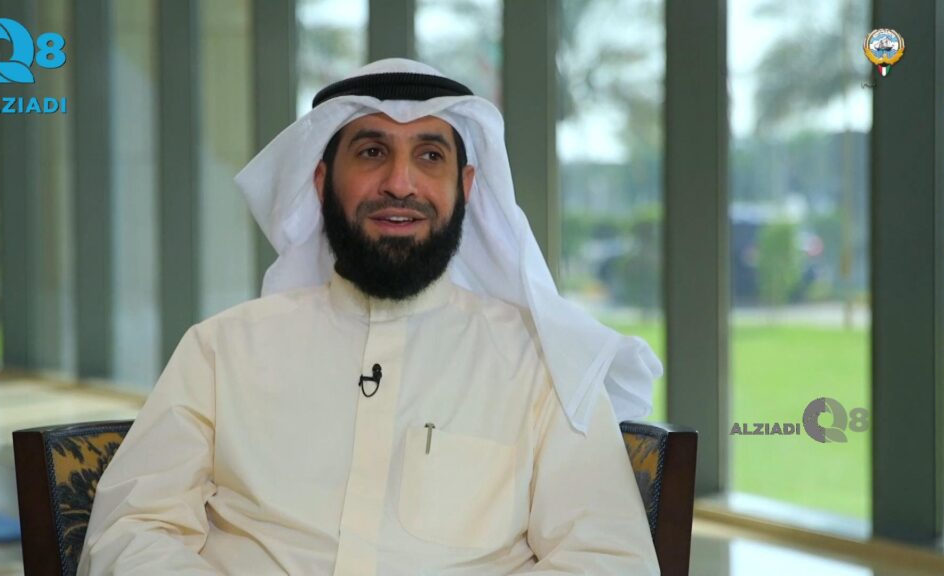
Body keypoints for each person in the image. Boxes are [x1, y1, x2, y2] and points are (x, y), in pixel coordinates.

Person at [77, 58, 663, 575]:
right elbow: (132, 530)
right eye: (372, 152)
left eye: (429, 156)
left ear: (465, 187)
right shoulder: (221, 351)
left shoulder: (540, 364)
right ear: (321, 181)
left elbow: (607, 558)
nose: (400, 183)